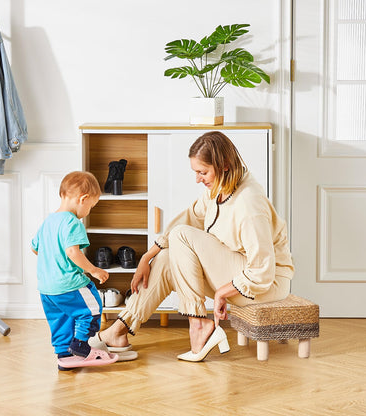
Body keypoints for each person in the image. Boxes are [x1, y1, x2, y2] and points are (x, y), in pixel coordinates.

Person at [95, 131, 294, 362]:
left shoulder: (249, 204)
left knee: (181, 237)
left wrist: (223, 291)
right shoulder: (218, 190)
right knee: (168, 257)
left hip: (265, 285)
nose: (198, 179)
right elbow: (188, 218)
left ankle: (199, 325)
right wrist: (147, 256)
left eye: (202, 172)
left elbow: (262, 271)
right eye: (196, 172)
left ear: (225, 165)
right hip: (241, 271)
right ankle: (120, 330)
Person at [31, 171, 117, 368]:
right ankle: (79, 344)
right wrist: (93, 270)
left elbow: (35, 248)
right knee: (92, 309)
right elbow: (73, 252)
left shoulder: (48, 221)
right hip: (68, 284)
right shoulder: (72, 222)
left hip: (46, 288)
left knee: (60, 319)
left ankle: (65, 354)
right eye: (91, 206)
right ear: (83, 199)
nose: (89, 210)